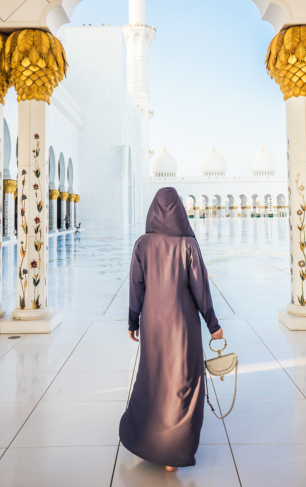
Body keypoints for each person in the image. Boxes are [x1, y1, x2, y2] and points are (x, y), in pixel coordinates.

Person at [119, 187, 223, 472]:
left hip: (153, 324)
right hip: (183, 327)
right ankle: (173, 453)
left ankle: (147, 441)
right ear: (180, 211)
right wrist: (213, 324)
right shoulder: (188, 245)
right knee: (182, 383)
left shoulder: (142, 244)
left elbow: (135, 287)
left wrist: (133, 321)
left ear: (153, 210)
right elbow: (201, 289)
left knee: (154, 378)